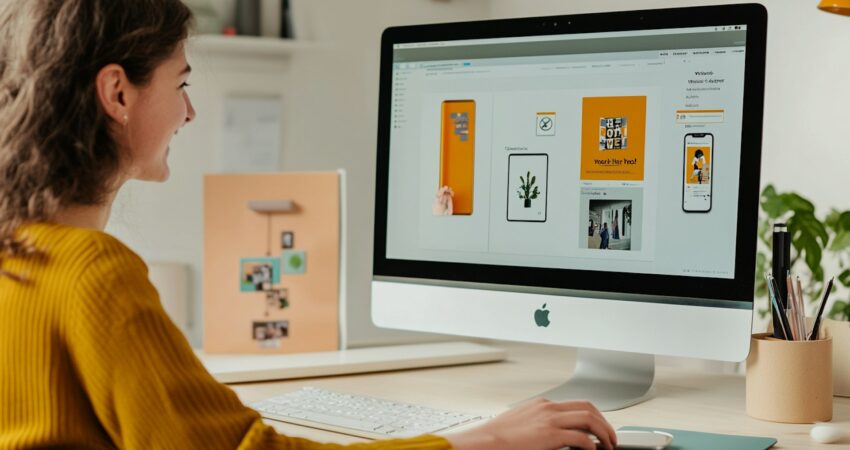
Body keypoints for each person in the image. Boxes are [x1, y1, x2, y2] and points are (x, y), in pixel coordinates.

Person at [0, 1, 617, 449]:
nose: (189, 112)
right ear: (118, 93)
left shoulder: (17, 258)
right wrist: (486, 441)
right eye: (181, 82)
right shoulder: (93, 276)